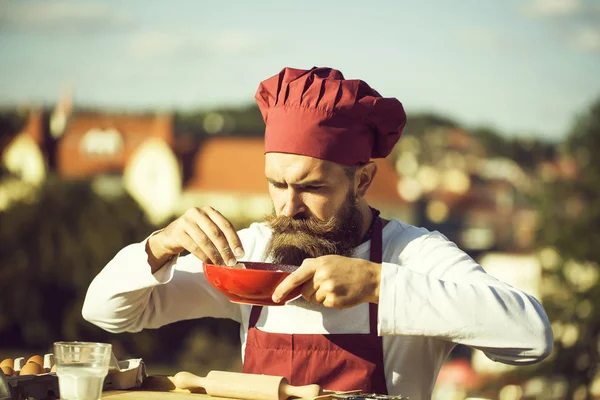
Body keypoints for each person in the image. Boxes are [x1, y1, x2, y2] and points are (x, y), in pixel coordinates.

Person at [82, 67, 553, 399]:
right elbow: (108, 313)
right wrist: (159, 246)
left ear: (362, 181)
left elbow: (532, 336)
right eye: (276, 184)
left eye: (312, 187)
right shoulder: (252, 254)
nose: (288, 206)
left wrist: (376, 283)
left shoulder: (413, 254)